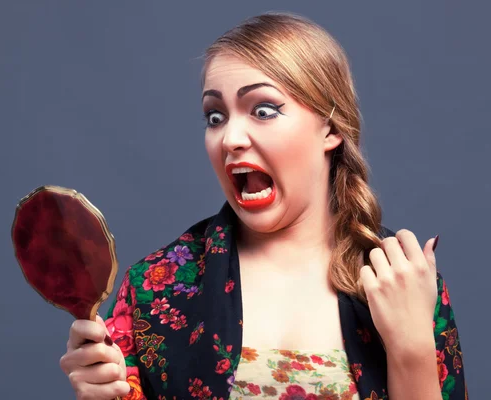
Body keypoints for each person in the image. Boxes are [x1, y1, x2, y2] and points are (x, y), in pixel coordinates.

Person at [59, 12, 467, 400]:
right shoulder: (155, 286)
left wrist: (411, 346)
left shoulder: (401, 280)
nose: (231, 137)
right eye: (215, 116)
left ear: (331, 127)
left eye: (264, 110)